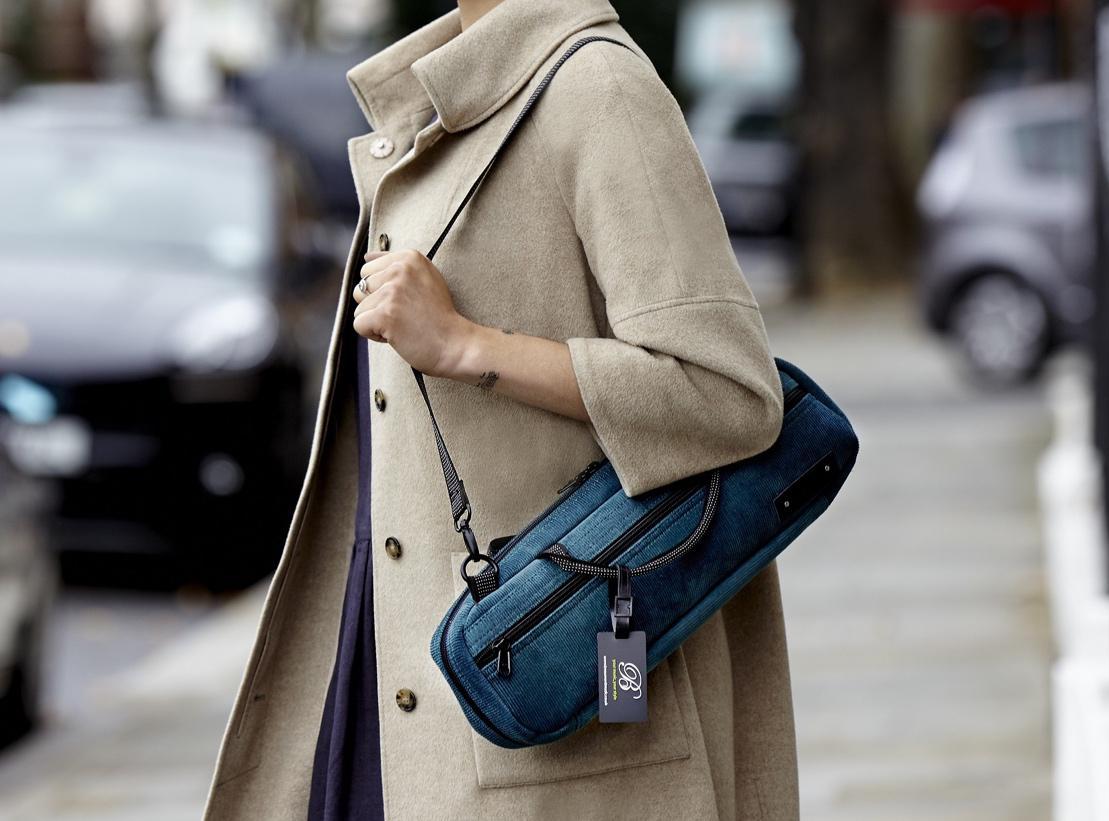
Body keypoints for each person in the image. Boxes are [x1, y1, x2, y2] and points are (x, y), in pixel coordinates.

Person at [204, 0, 800, 818]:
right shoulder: (463, 99)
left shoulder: (600, 90)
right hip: (400, 682)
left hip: (538, 715)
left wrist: (465, 346)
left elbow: (729, 391)